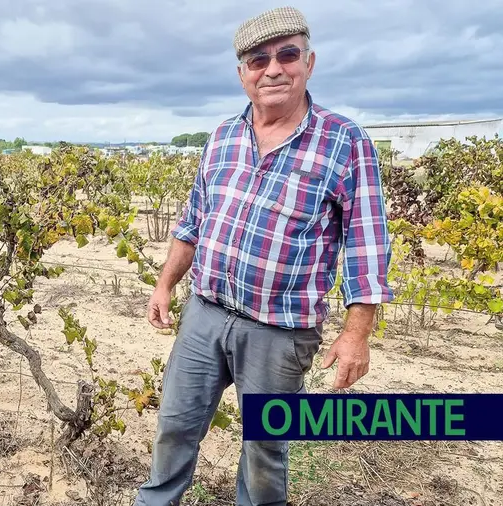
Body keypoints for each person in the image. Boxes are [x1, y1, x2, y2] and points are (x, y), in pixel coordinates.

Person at [135, 7, 393, 506]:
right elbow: (193, 222)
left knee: (264, 450)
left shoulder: (344, 141)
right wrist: (166, 283)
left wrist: (356, 331)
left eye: (287, 54)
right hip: (204, 316)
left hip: (279, 333)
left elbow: (366, 241)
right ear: (242, 74)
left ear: (309, 62)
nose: (273, 69)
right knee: (174, 428)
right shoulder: (222, 137)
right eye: (258, 60)